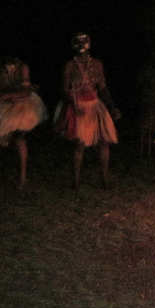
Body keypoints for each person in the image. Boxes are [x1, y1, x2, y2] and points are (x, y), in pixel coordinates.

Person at [54, 33, 120, 192]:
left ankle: (104, 178)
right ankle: (75, 181)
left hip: (95, 105)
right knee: (80, 145)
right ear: (73, 45)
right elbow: (63, 90)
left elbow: (102, 87)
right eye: (78, 42)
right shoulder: (70, 65)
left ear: (89, 43)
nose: (81, 44)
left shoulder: (97, 64)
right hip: (79, 106)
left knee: (104, 142)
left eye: (84, 41)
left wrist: (112, 107)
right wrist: (72, 102)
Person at [0, 55, 47, 188]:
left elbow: (26, 91)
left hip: (20, 104)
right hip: (0, 104)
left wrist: (9, 96)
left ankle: (22, 176)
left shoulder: (22, 66)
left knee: (19, 139)